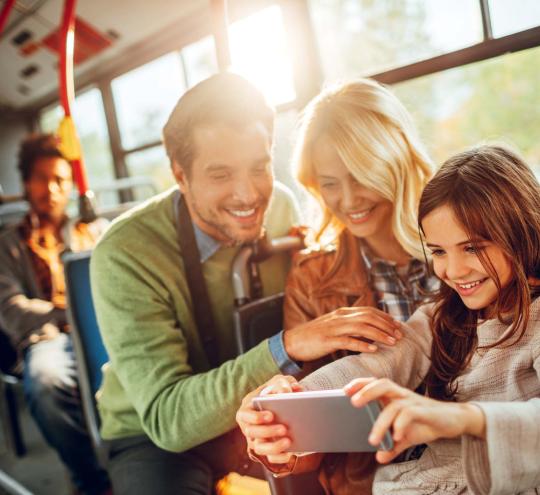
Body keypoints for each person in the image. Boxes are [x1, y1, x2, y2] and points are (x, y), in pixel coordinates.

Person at [89, 73, 398, 495]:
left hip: (259, 404)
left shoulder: (281, 207)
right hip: (156, 437)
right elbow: (169, 421)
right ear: (181, 175)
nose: (248, 194)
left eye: (259, 167)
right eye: (220, 175)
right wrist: (286, 346)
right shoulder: (125, 252)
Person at [239, 145, 540, 494]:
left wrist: (458, 419)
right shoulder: (438, 316)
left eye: (473, 247)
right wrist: (291, 399)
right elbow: (374, 366)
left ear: (520, 232)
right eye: (439, 251)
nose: (454, 271)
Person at [240, 78, 438, 492]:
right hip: (379, 480)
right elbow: (319, 440)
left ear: (396, 160)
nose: (348, 200)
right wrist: (280, 435)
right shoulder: (313, 279)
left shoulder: (467, 239)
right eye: (329, 183)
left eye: (361, 176)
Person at [0, 134, 110, 495]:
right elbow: (11, 311)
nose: (51, 188)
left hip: (104, 329)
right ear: (26, 183)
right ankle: (91, 479)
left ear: (71, 186)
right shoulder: (8, 244)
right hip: (49, 337)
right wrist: (66, 312)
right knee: (47, 383)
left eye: (60, 179)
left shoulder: (95, 232)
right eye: (41, 178)